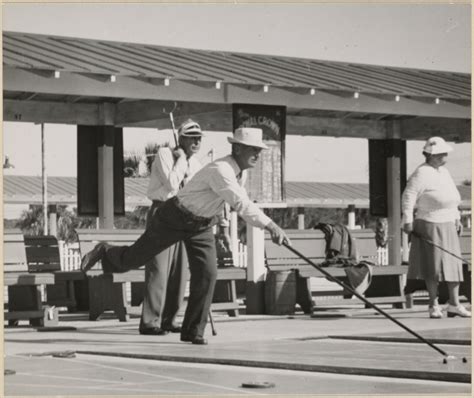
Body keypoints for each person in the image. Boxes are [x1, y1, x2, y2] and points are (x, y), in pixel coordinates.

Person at [81, 127, 291, 344]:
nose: (257, 154)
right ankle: (105, 250)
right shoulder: (221, 170)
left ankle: (193, 331)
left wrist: (225, 227)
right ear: (237, 148)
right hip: (174, 217)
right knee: (133, 259)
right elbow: (241, 203)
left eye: (259, 150)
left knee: (207, 274)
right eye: (252, 149)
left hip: (202, 225)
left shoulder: (241, 174)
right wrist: (272, 226)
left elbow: (227, 203)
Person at [139, 119, 203, 336]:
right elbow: (172, 184)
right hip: (163, 211)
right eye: (191, 137)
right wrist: (182, 159)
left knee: (179, 270)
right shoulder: (165, 154)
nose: (196, 141)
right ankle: (150, 322)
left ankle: (169, 319)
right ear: (181, 138)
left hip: (183, 215)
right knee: (159, 269)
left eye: (199, 137)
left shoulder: (197, 163)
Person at [401, 136, 470, 319]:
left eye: (444, 153)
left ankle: (454, 304)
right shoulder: (421, 172)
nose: (445, 156)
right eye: (441, 153)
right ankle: (434, 304)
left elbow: (452, 199)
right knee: (434, 267)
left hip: (448, 222)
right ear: (431, 155)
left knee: (454, 265)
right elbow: (408, 196)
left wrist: (456, 218)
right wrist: (407, 220)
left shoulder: (445, 172)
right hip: (429, 222)